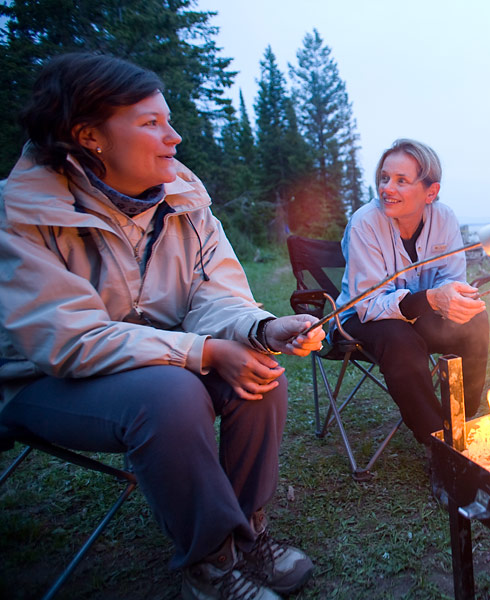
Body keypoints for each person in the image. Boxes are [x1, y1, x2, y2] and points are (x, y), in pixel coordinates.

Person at [0, 53, 326, 600]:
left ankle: (249, 536)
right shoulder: (25, 213)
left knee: (259, 373)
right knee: (172, 393)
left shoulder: (184, 199)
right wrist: (200, 354)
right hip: (39, 379)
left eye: (169, 121)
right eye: (151, 123)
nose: (173, 138)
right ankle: (211, 561)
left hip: (159, 358)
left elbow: (214, 295)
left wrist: (262, 330)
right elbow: (68, 339)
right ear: (90, 136)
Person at [336, 139, 490, 444]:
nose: (386, 188)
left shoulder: (443, 218)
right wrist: (432, 299)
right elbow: (368, 305)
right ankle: (439, 440)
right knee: (399, 338)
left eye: (401, 181)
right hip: (359, 320)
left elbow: (451, 280)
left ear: (430, 192)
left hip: (419, 317)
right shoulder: (364, 224)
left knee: (473, 321)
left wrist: (457, 300)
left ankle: (461, 419)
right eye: (384, 178)